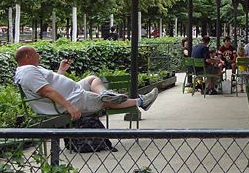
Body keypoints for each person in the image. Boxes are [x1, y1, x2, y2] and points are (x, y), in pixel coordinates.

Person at [14, 46, 158, 120]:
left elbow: (52, 84)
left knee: (91, 79)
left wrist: (61, 71)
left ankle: (104, 93)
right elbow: (47, 92)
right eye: (36, 53)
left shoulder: (32, 69)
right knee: (103, 102)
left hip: (73, 91)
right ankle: (141, 101)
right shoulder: (27, 71)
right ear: (27, 56)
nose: (39, 56)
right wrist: (69, 107)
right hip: (72, 99)